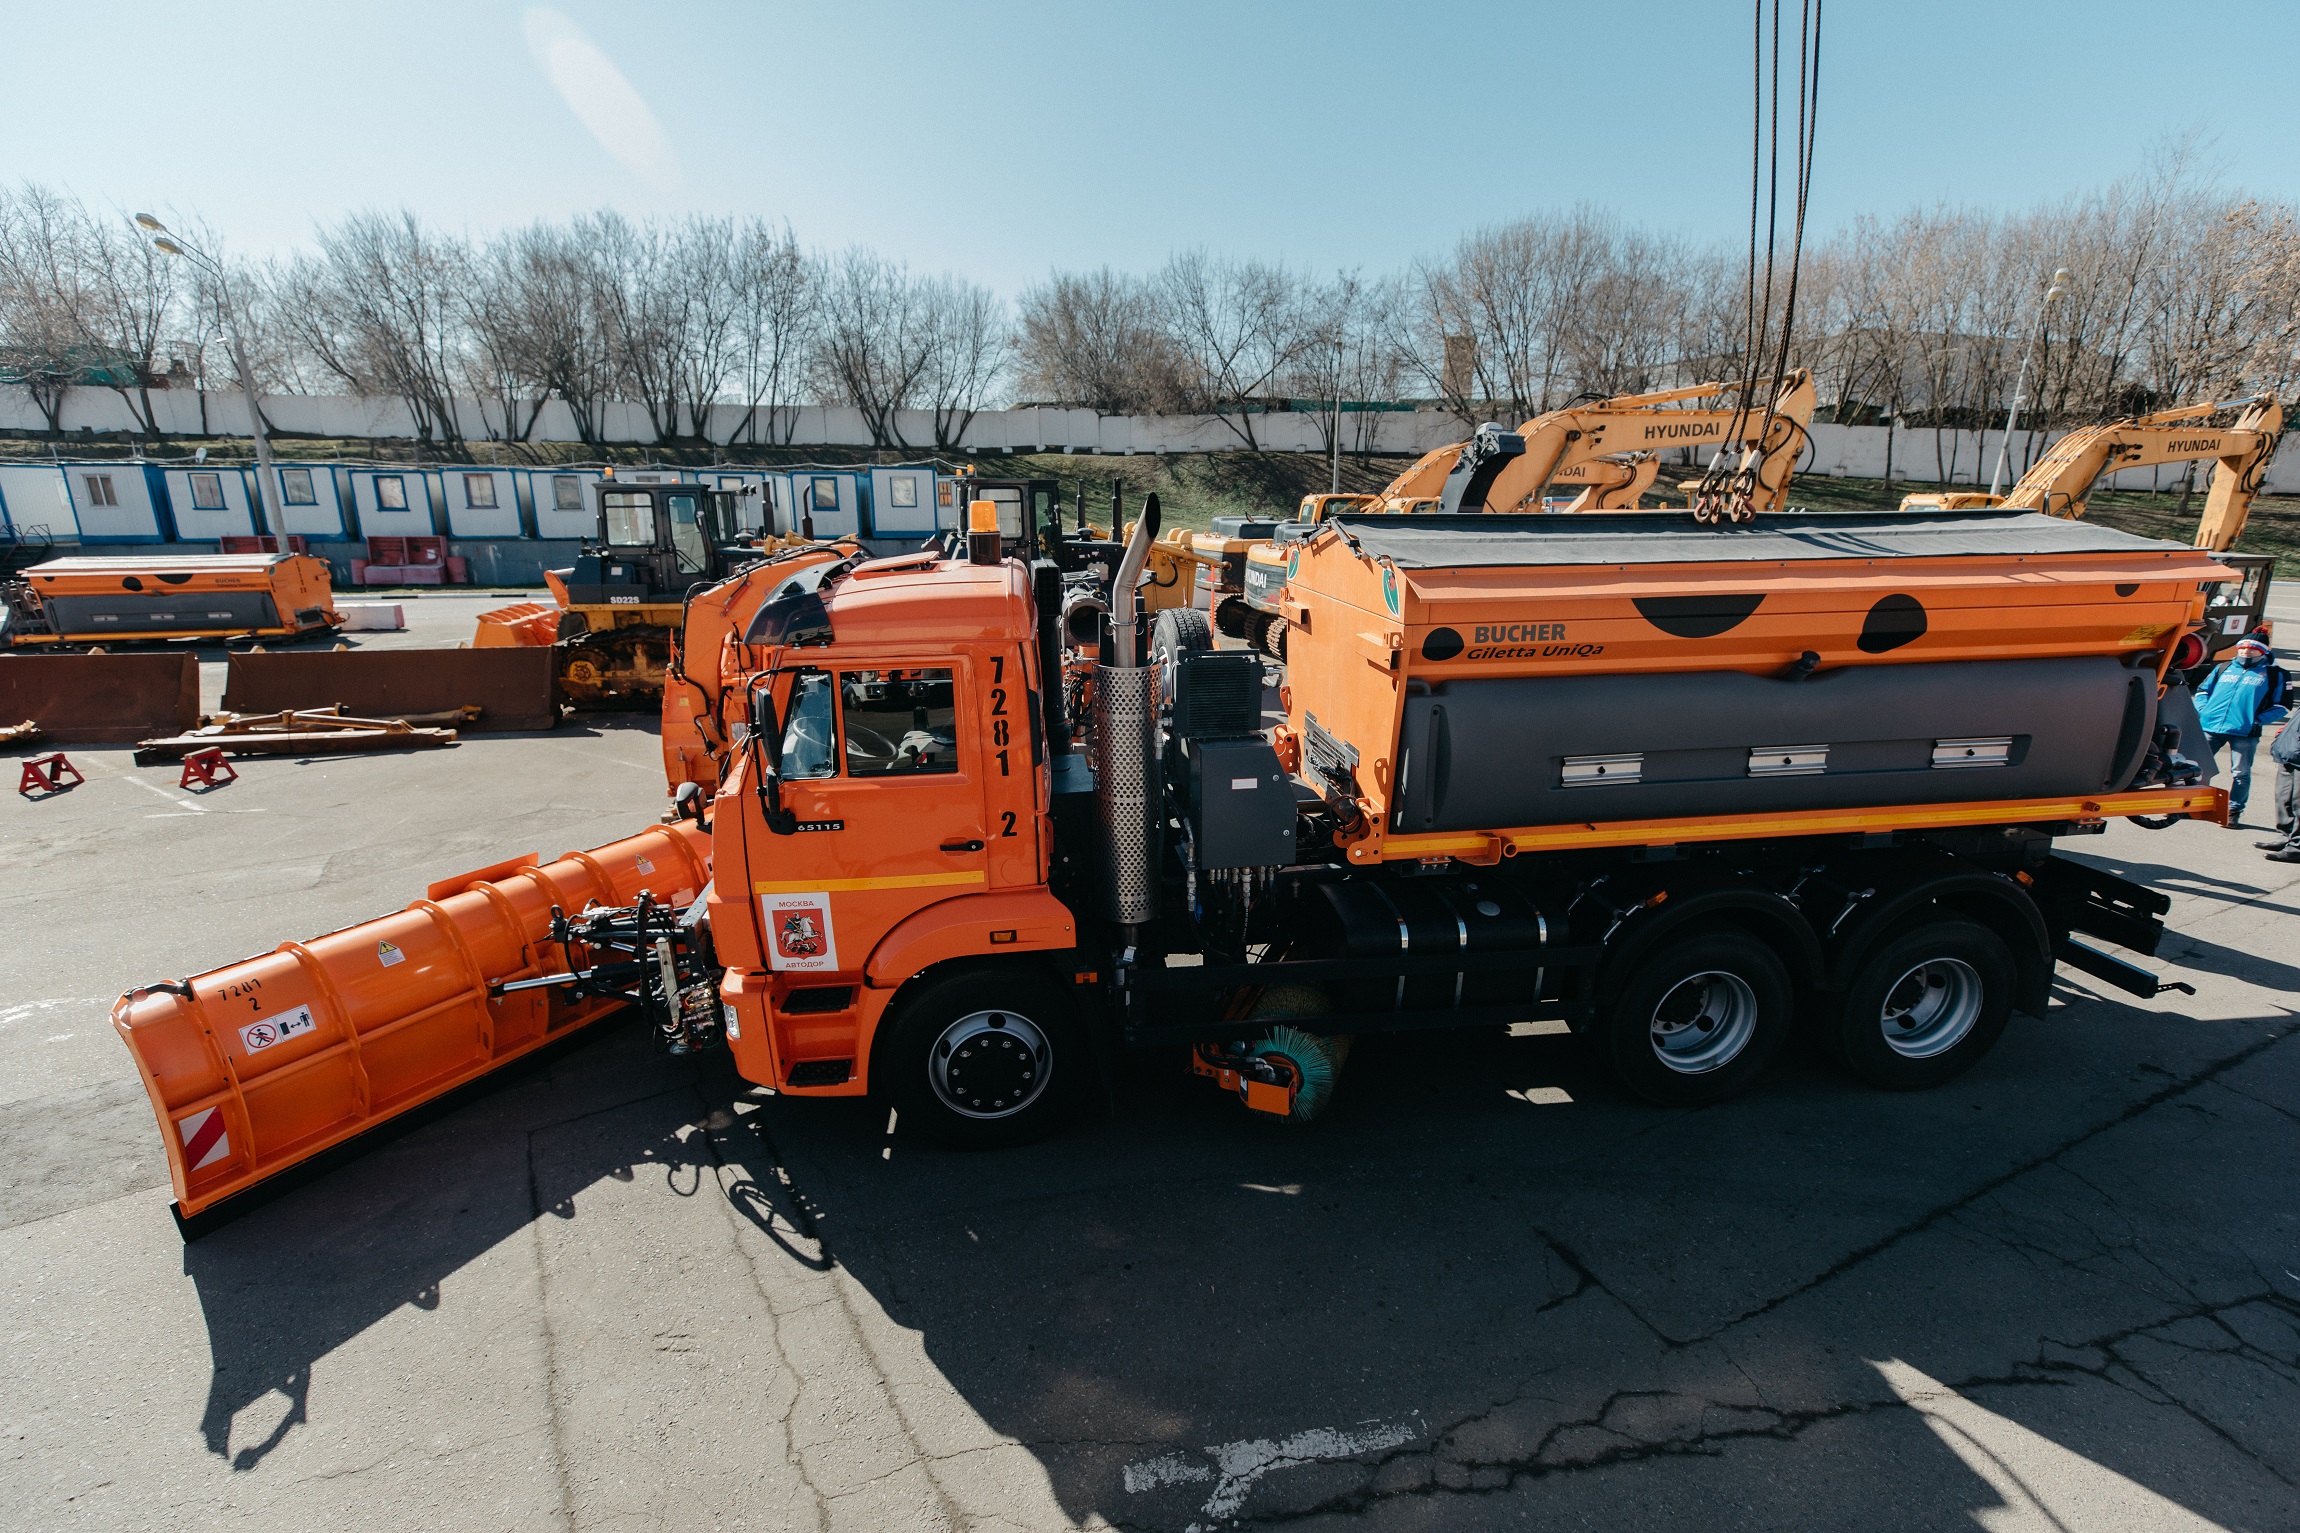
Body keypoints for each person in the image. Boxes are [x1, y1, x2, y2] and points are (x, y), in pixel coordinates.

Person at [2194, 636, 2288, 827]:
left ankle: (2233, 811)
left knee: (2240, 773)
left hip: (2244, 733)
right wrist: (2204, 712)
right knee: (2198, 768)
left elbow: (2283, 705)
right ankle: (2193, 805)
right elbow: (2203, 691)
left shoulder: (2275, 674)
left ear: (2262, 652)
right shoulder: (2223, 667)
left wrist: (2257, 721)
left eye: (2252, 649)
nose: (2246, 652)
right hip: (2211, 727)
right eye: (2242, 648)